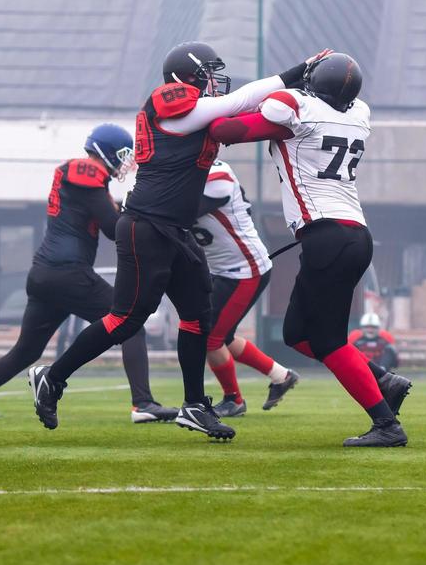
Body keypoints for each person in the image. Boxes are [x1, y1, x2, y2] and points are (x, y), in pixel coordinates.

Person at [28, 41, 324, 439]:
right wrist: (297, 72)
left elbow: (240, 110)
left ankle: (195, 406)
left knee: (198, 316)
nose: (213, 81)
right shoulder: (172, 108)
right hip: (146, 226)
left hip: (174, 230)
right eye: (207, 73)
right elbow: (240, 101)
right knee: (126, 318)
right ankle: (53, 378)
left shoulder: (195, 114)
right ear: (186, 78)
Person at [209, 52, 412, 446]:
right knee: (297, 334)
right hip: (350, 235)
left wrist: (261, 91)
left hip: (329, 236)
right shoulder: (357, 115)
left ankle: (386, 424)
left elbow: (224, 131)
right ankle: (382, 380)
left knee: (328, 341)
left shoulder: (297, 109)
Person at [0, 125, 175, 423]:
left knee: (26, 351)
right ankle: (143, 404)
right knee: (131, 323)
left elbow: (105, 214)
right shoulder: (84, 171)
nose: (124, 162)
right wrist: (138, 213)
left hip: (46, 274)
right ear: (105, 151)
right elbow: (113, 227)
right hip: (67, 274)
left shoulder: (85, 183)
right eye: (122, 155)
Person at [195, 159, 300, 417]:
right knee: (223, 337)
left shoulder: (216, 175)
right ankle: (281, 376)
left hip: (245, 270)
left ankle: (234, 400)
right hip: (225, 270)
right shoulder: (187, 172)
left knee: (210, 338)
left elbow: (179, 211)